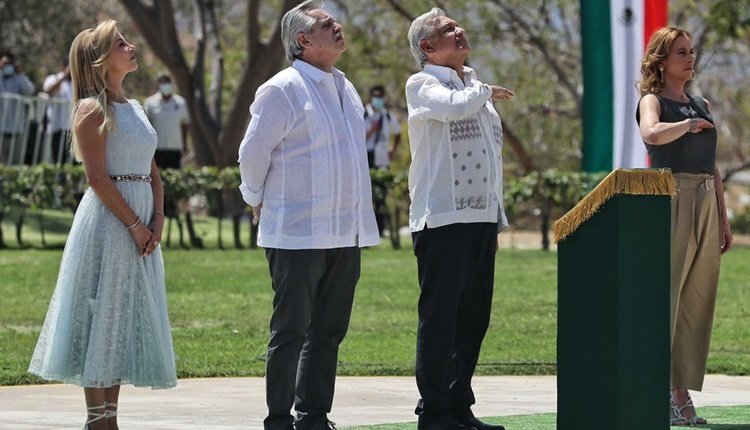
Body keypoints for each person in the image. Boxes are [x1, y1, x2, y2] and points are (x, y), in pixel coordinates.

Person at [28, 20, 176, 430]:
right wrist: (134, 225)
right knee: (101, 316)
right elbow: (97, 178)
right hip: (110, 223)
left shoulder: (138, 109)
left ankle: (109, 418)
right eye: (120, 44)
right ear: (101, 61)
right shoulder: (92, 110)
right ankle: (99, 420)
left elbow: (153, 173)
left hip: (142, 219)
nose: (131, 47)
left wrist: (157, 220)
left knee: (121, 316)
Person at [237, 1, 379, 429]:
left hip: (345, 232)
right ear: (303, 40)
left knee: (329, 330)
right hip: (296, 233)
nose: (338, 27)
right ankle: (279, 419)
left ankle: (314, 415)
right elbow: (252, 154)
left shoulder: (346, 87)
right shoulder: (282, 88)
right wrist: (254, 198)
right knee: (291, 331)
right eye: (326, 24)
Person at [406, 8, 514, 430]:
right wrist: (482, 89)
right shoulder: (422, 83)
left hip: (480, 219)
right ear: (428, 47)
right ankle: (432, 413)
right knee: (440, 319)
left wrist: (496, 213)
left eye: (457, 24)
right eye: (447, 29)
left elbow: (492, 157)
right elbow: (450, 109)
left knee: (473, 318)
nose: (459, 30)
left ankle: (458, 408)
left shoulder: (473, 85)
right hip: (443, 219)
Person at [636, 27, 732, 427]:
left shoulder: (701, 102)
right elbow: (651, 133)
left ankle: (681, 391)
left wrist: (724, 219)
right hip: (669, 197)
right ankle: (656, 387)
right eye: (680, 52)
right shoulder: (652, 100)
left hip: (707, 199)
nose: (689, 59)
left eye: (691, 52)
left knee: (697, 301)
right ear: (661, 60)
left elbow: (713, 166)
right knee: (668, 298)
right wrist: (687, 126)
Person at [365, 84, 402, 236]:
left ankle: (380, 229)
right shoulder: (363, 114)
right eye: (375, 96)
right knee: (367, 194)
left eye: (380, 96)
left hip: (382, 157)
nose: (378, 99)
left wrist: (393, 148)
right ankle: (367, 228)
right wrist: (371, 131)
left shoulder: (387, 116)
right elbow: (356, 137)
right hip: (367, 155)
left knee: (381, 194)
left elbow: (398, 132)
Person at [144, 73, 190, 170]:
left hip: (175, 148)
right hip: (157, 149)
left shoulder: (181, 103)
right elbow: (147, 126)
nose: (165, 85)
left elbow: (184, 123)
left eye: (167, 82)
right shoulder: (150, 103)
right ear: (158, 85)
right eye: (162, 82)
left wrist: (185, 145)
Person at [0, 52, 36, 164]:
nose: (8, 66)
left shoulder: (19, 79)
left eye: (10, 63)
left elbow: (30, 90)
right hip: (1, 128)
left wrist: (20, 74)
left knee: (15, 162)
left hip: (16, 128)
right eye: (5, 63)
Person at [43, 58, 73, 164]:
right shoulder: (54, 78)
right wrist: (64, 77)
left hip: (71, 130)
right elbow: (49, 90)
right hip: (56, 127)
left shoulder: (76, 83)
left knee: (69, 160)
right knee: (54, 158)